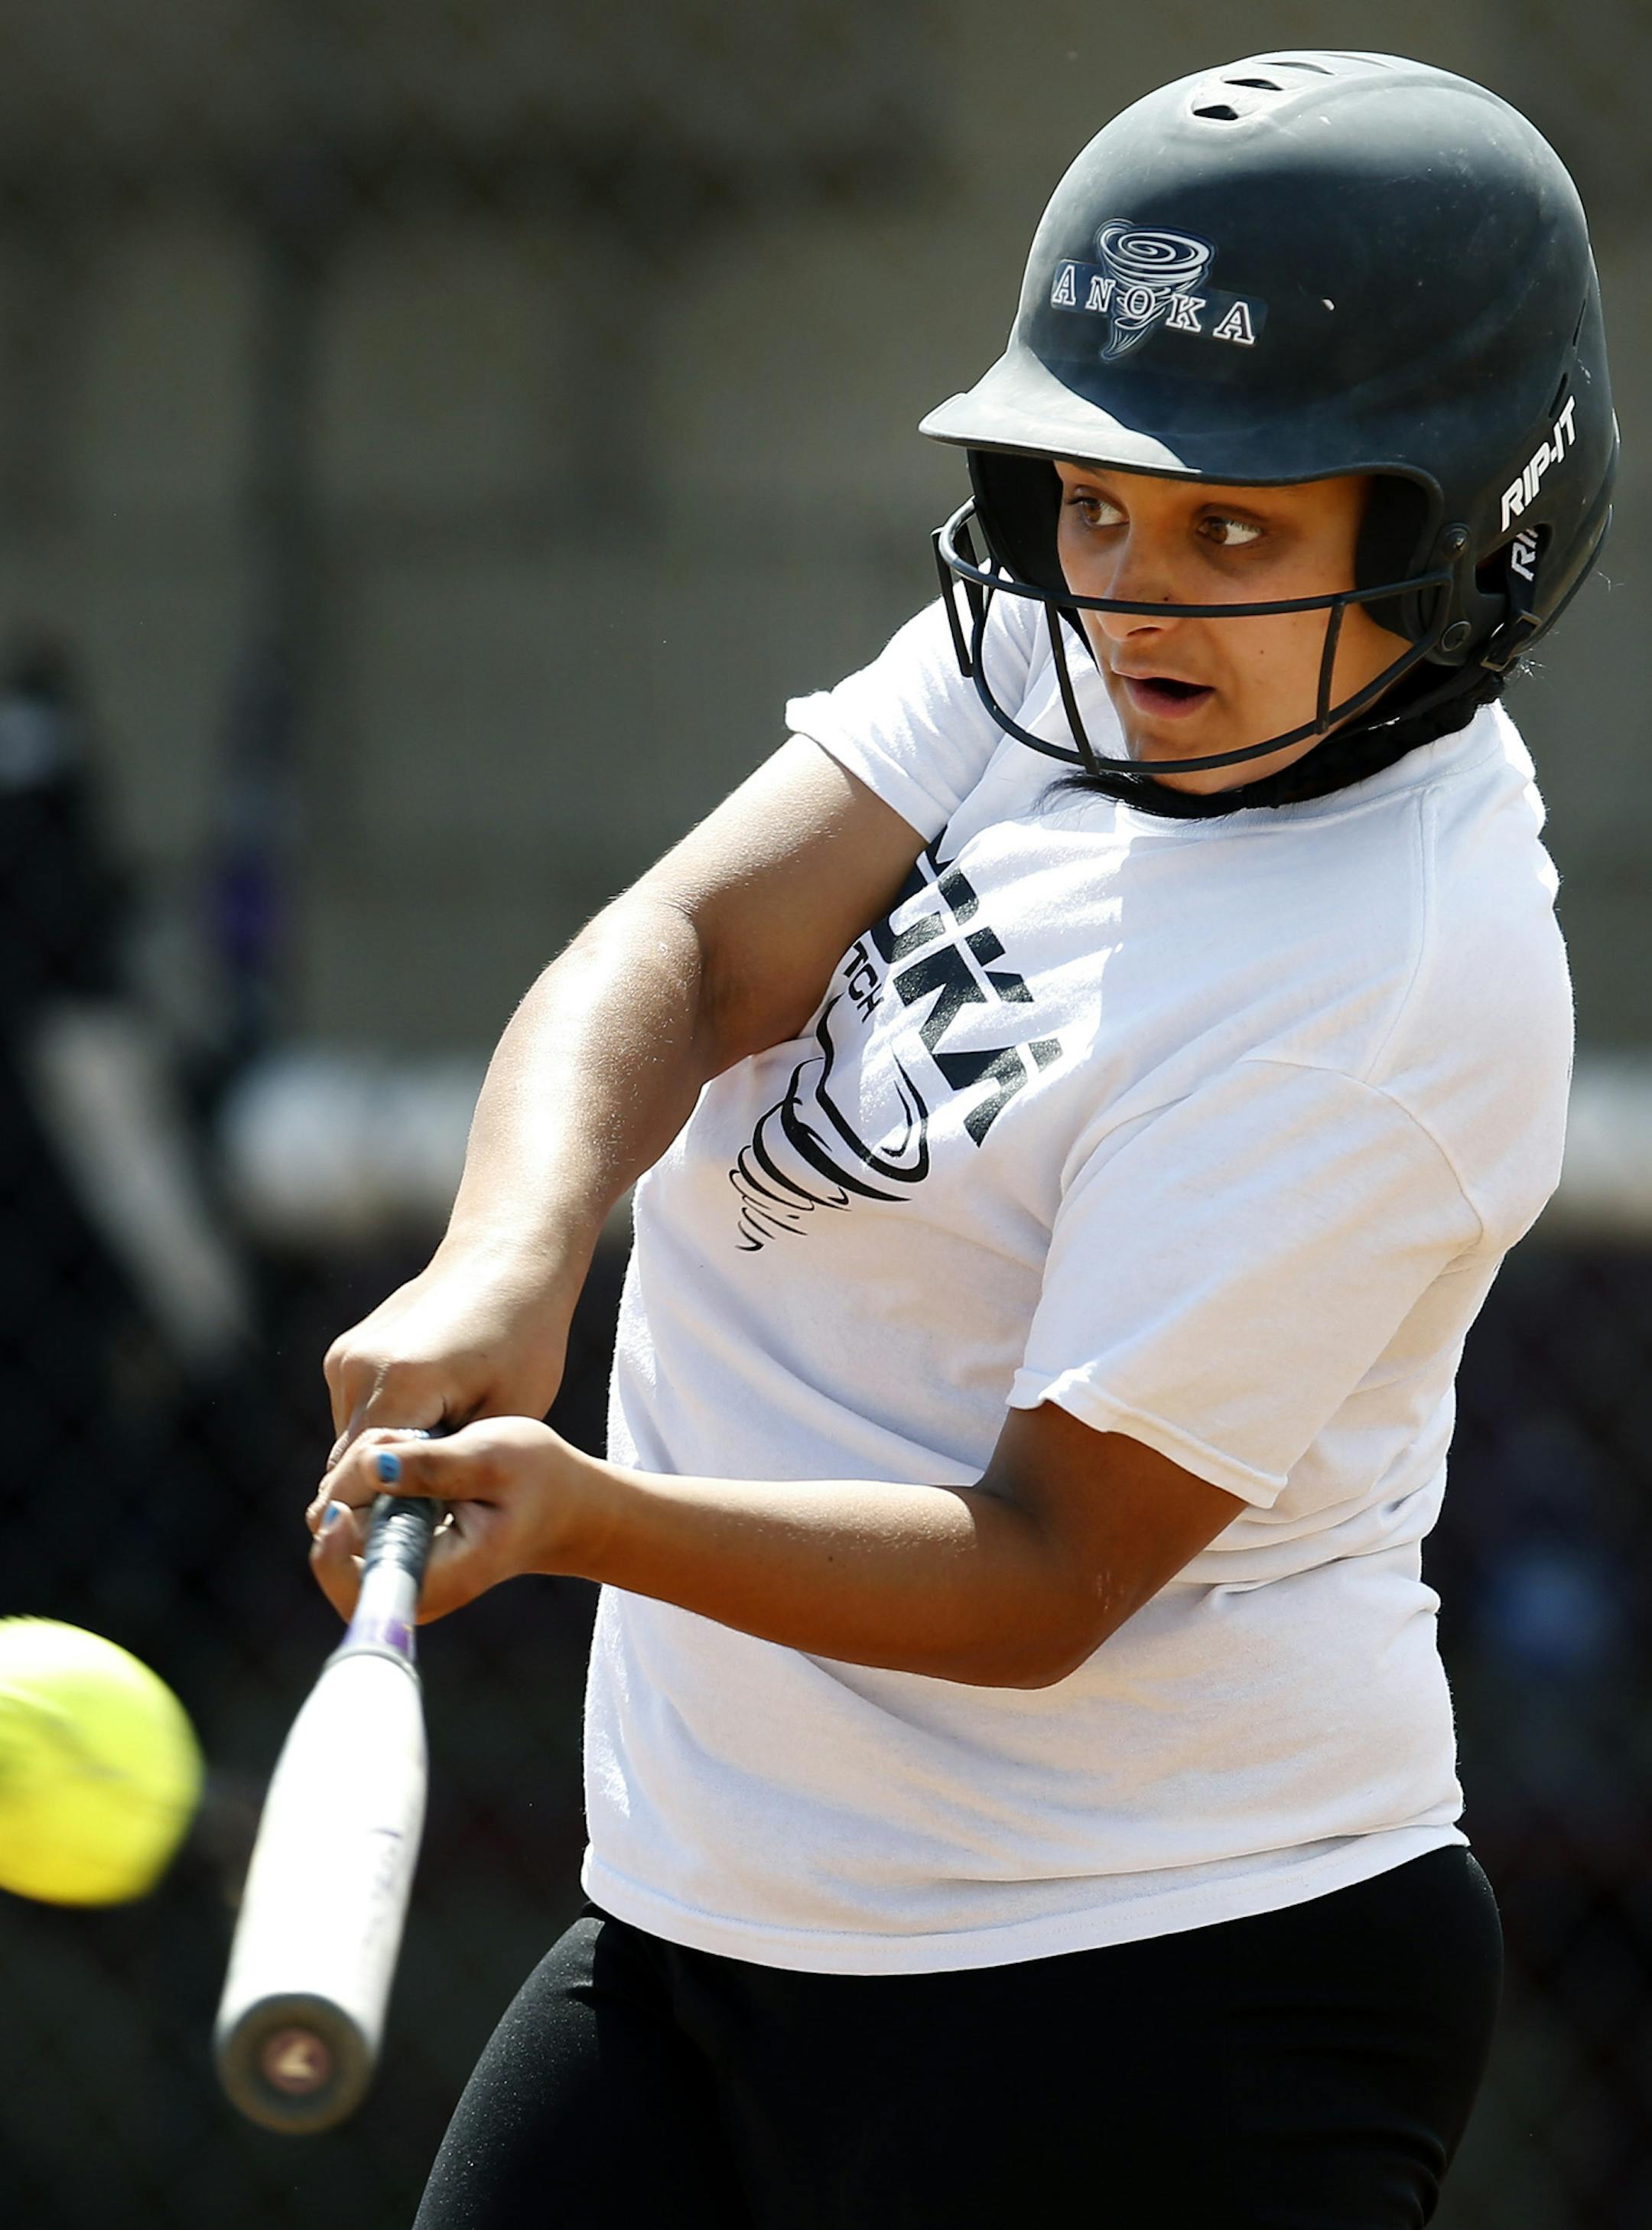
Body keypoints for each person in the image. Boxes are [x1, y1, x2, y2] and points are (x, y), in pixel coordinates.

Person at [310, 50, 1615, 2228]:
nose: (1132, 588)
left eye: (1233, 526)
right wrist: (509, 1259)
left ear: (1463, 529)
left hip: (1152, 1996)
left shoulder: (1389, 965)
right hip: (715, 1919)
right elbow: (687, 947)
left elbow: (1038, 1573)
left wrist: (587, 1516)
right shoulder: (1069, 642)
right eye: (1095, 500)